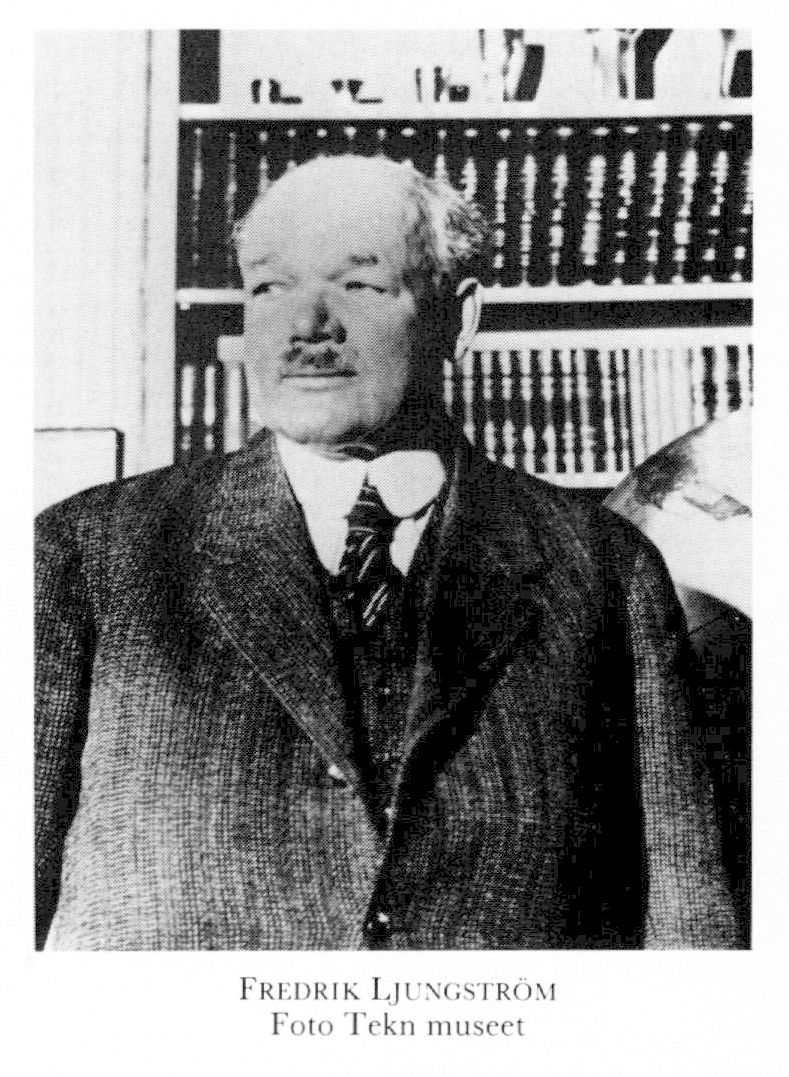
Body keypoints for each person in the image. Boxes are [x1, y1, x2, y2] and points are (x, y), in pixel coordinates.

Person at [35, 154, 741, 950]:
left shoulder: (605, 567)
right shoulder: (88, 553)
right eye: (269, 287)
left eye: (359, 285)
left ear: (457, 319)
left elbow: (687, 921)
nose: (307, 325)